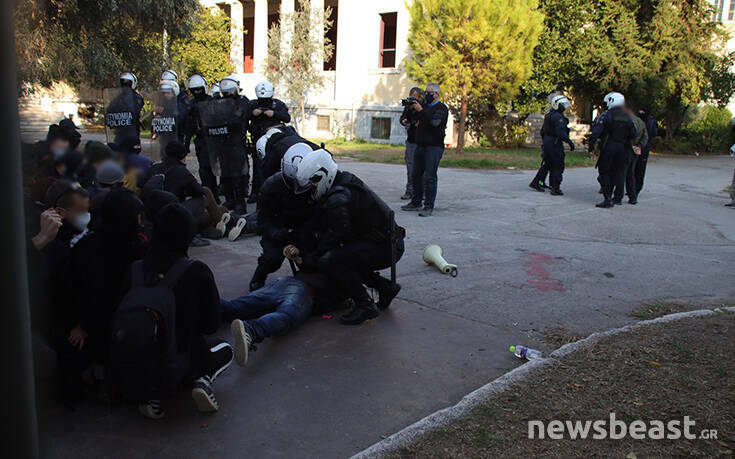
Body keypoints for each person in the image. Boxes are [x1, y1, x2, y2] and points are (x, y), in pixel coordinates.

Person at [117, 203, 233, 419]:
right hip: (180, 360)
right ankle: (202, 380)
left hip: (134, 362)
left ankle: (152, 395)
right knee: (225, 348)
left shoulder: (136, 269)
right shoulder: (195, 271)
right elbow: (211, 325)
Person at [288, 150, 405, 325]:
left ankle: (365, 305)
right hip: (385, 242)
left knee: (333, 260)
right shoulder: (341, 183)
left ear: (322, 177)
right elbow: (320, 223)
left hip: (386, 247)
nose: (311, 192)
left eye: (312, 187)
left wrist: (311, 258)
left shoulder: (339, 198)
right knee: (346, 256)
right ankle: (385, 287)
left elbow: (334, 236)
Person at [55, 188, 147, 404]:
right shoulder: (137, 250)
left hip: (90, 328)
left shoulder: (86, 245)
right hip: (119, 329)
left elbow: (68, 290)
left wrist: (79, 324)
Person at [223, 272, 350, 367]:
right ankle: (252, 330)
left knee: (237, 307)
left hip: (284, 281)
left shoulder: (320, 251)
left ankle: (209, 307)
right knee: (287, 316)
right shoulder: (339, 275)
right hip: (304, 291)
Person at [247, 144, 317, 291]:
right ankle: (258, 277)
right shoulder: (271, 186)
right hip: (278, 228)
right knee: (271, 259)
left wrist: (304, 234)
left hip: (304, 231)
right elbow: (263, 218)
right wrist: (275, 233)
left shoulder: (316, 184)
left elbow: (320, 217)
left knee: (312, 262)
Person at [139, 141, 224, 247]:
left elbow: (141, 185)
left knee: (215, 211)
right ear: (182, 156)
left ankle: (214, 224)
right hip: (172, 216)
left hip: (152, 217)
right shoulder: (181, 171)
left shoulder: (154, 168)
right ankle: (197, 232)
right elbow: (198, 191)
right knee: (203, 197)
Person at [400, 82, 449, 217]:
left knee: (430, 177)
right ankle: (416, 201)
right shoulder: (424, 107)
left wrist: (421, 110)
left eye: (429, 93)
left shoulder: (441, 108)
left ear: (436, 94)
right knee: (416, 174)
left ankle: (428, 205)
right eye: (425, 92)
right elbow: (411, 120)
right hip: (420, 145)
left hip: (434, 147)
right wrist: (410, 109)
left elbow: (434, 122)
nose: (426, 95)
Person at [588, 92, 637, 208]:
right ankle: (617, 197)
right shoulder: (627, 117)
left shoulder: (607, 115)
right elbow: (634, 134)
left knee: (604, 173)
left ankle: (607, 198)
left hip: (609, 147)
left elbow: (596, 132)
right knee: (618, 173)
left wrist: (591, 146)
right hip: (623, 149)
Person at [248, 80, 291, 201]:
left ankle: (273, 192)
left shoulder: (278, 105)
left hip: (274, 141)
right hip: (257, 140)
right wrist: (252, 113)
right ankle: (255, 193)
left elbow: (287, 118)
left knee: (273, 166)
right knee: (257, 167)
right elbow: (242, 117)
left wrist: (274, 114)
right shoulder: (252, 105)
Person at [530, 95, 575, 195]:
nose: (564, 107)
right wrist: (569, 142)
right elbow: (560, 132)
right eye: (562, 105)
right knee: (558, 165)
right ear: (557, 105)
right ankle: (555, 188)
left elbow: (543, 131)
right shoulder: (558, 117)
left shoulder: (549, 115)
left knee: (548, 163)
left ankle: (536, 182)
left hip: (548, 141)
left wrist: (544, 142)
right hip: (554, 143)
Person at [184, 74, 219, 201]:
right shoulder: (191, 105)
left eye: (199, 89)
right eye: (194, 90)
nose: (197, 92)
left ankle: (215, 194)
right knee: (204, 168)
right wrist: (186, 143)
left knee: (213, 168)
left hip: (213, 139)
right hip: (201, 140)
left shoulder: (212, 102)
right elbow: (188, 126)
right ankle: (209, 194)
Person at [614, 104, 648, 205]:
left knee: (621, 173)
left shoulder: (623, 119)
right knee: (631, 174)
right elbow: (645, 137)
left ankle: (618, 197)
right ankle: (632, 196)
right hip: (634, 150)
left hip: (625, 148)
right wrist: (638, 145)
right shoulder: (640, 122)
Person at [399, 87, 423, 200]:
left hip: (422, 141)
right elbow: (403, 118)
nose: (412, 99)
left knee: (423, 169)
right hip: (411, 140)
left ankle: (422, 192)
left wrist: (418, 109)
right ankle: (409, 191)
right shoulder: (408, 106)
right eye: (411, 96)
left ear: (419, 97)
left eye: (415, 97)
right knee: (410, 168)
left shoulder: (423, 107)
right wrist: (403, 120)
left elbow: (424, 119)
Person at [635, 108, 658, 195]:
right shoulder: (649, 121)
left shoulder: (650, 122)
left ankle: (635, 189)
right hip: (641, 147)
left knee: (637, 168)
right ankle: (634, 188)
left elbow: (653, 134)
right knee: (637, 169)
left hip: (641, 147)